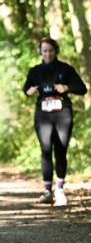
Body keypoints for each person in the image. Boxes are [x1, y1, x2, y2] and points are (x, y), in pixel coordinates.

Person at [23, 37, 87, 206]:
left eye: (51, 50)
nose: (48, 54)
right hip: (43, 114)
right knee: (45, 149)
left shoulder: (65, 69)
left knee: (60, 149)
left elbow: (82, 88)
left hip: (62, 113)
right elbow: (26, 89)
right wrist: (29, 91)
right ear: (40, 52)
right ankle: (46, 191)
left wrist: (67, 88)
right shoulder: (35, 71)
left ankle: (59, 190)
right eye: (45, 51)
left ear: (56, 51)